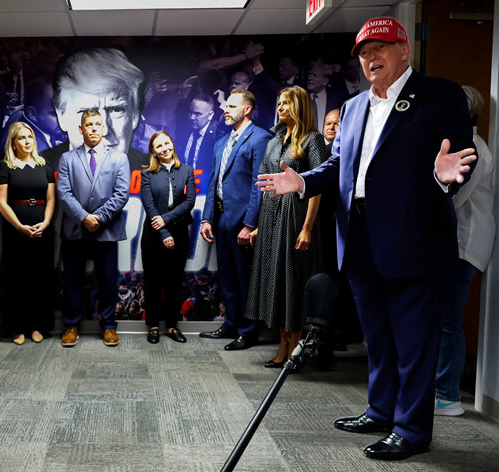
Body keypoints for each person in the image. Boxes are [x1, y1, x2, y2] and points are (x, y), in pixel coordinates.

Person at [256, 17, 476, 461]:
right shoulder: (353, 107)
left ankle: (411, 430)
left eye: (380, 48)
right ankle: (380, 409)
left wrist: (443, 177)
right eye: (363, 52)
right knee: (377, 335)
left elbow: (455, 160)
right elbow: (339, 167)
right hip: (357, 236)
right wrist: (301, 183)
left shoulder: (440, 95)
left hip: (414, 239)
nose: (370, 58)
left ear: (405, 50)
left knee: (414, 340)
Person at [245, 86, 325, 368]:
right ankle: (282, 344)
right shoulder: (275, 138)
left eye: (286, 103)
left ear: (299, 106)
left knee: (292, 281)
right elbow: (266, 182)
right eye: (278, 102)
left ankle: (296, 347)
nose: (279, 107)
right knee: (276, 282)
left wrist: (307, 228)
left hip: (295, 217)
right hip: (271, 217)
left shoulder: (312, 140)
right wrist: (257, 226)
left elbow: (318, 188)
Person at [435, 85, 496, 417]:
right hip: (459, 243)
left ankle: (446, 396)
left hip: (465, 244)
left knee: (448, 320)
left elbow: (453, 200)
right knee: (445, 318)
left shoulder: (471, 148)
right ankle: (441, 391)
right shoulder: (467, 145)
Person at [199, 89, 273, 351]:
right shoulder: (221, 143)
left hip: (243, 222)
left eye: (231, 106)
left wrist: (250, 224)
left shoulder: (261, 138)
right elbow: (212, 184)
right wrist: (207, 218)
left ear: (247, 109)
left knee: (246, 280)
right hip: (221, 219)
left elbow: (259, 184)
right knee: (227, 278)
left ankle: (248, 332)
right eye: (225, 106)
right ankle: (230, 324)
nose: (224, 109)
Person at [57, 109, 130, 347]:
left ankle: (109, 326)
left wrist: (97, 218)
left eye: (98, 124)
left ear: (104, 127)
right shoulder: (67, 158)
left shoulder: (119, 157)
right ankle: (71, 325)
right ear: (81, 129)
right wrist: (83, 218)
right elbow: (64, 193)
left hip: (105, 229)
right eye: (89, 125)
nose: (94, 128)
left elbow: (121, 194)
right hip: (75, 230)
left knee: (108, 280)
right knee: (72, 281)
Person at [0, 122, 56, 345]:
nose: (27, 141)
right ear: (13, 142)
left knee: (40, 279)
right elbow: (1, 203)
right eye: (21, 138)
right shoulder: (4, 167)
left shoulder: (45, 165)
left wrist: (46, 222)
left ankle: (38, 326)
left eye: (30, 137)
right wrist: (20, 226)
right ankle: (18, 328)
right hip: (16, 231)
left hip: (43, 230)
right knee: (17, 279)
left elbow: (51, 199)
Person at [42, 47, 148, 171]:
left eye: (116, 110)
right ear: (62, 116)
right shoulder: (38, 171)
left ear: (135, 115)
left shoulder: (154, 171)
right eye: (86, 112)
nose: (103, 131)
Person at [140, 131, 195, 344]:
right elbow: (149, 205)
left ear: (172, 144)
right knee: (153, 282)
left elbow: (189, 202)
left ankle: (172, 326)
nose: (164, 148)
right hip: (153, 236)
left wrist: (166, 220)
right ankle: (153, 326)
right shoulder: (147, 174)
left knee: (174, 283)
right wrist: (163, 231)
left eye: (167, 143)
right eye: (159, 146)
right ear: (153, 151)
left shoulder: (187, 171)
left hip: (180, 234)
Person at [175, 94, 222, 192]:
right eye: (191, 112)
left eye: (197, 114)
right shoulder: (184, 129)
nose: (192, 117)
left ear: (210, 115)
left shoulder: (218, 136)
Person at [306, 59, 348, 133]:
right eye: (309, 74)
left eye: (314, 75)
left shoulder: (337, 99)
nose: (310, 78)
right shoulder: (301, 97)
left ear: (325, 81)